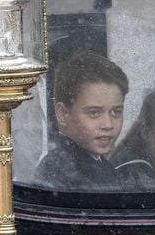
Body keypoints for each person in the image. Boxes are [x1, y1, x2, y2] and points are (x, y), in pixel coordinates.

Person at [35, 53, 129, 190]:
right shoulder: (64, 173)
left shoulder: (94, 163)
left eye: (116, 112)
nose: (108, 124)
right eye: (94, 113)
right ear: (63, 114)